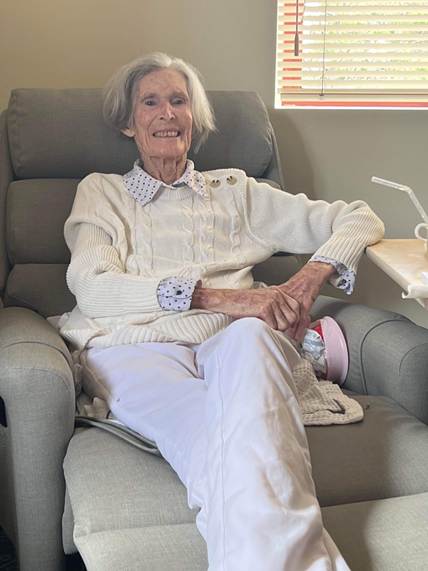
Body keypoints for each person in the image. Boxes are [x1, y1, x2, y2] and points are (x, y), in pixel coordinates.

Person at [60, 52, 384, 570]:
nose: (167, 113)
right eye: (150, 102)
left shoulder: (236, 192)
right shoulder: (103, 193)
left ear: (195, 116)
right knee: (237, 448)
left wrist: (306, 280)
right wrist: (217, 297)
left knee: (253, 340)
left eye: (179, 100)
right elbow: (92, 287)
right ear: (128, 123)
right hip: (136, 347)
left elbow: (359, 219)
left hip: (232, 339)